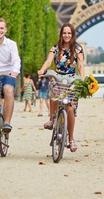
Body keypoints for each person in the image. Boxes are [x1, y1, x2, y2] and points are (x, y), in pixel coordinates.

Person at [37, 23, 84, 153]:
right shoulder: (55, 48)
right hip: (58, 77)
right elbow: (48, 61)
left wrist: (82, 78)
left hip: (71, 80)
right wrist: (42, 70)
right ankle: (52, 119)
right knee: (54, 92)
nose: (67, 35)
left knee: (70, 108)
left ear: (72, 34)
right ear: (61, 34)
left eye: (69, 33)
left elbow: (80, 65)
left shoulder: (78, 49)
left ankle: (71, 138)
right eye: (64, 33)